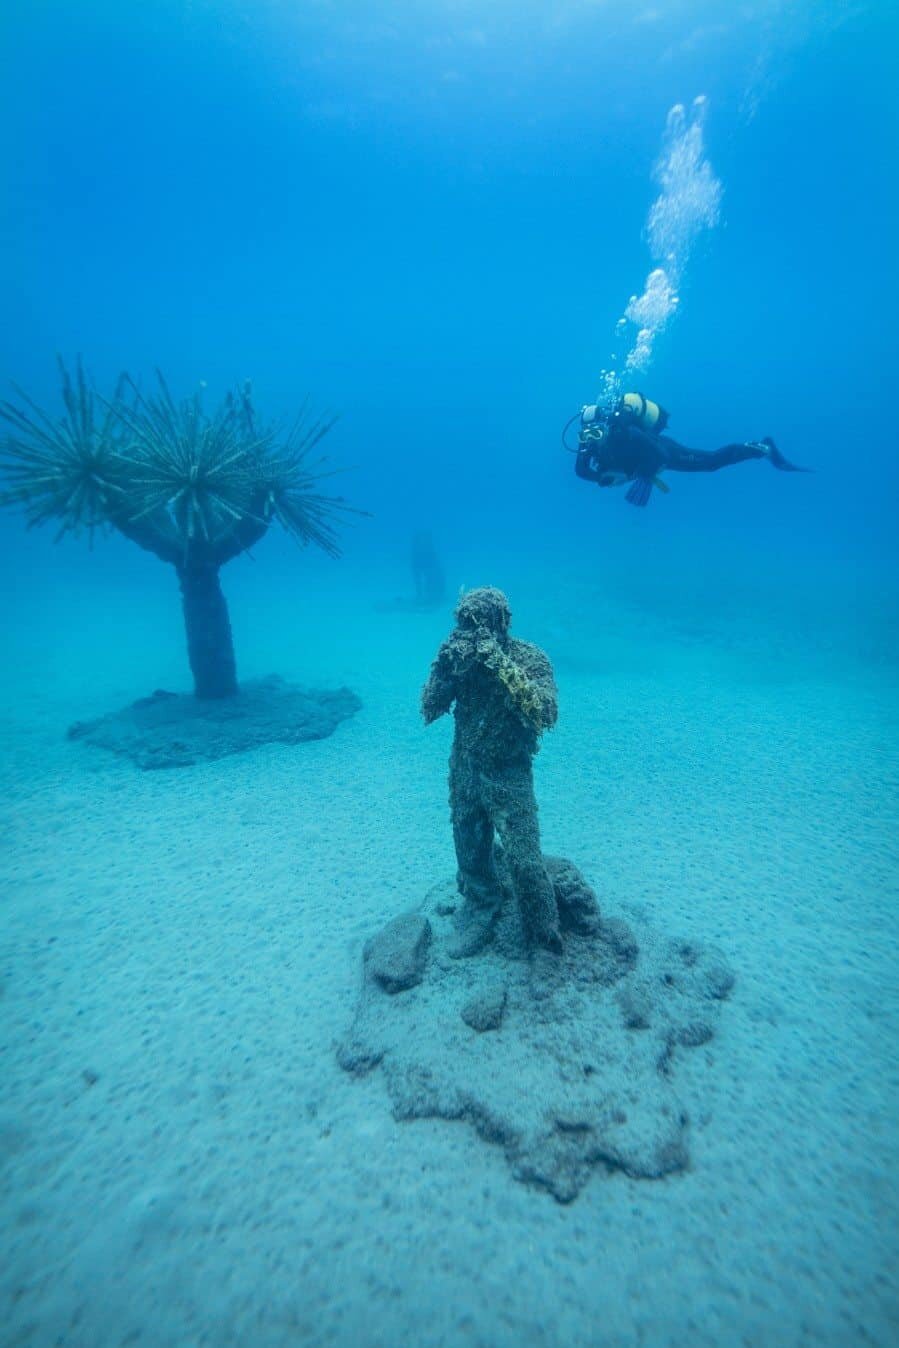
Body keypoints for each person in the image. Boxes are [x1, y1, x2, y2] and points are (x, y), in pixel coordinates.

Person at [421, 587, 563, 956]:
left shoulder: (529, 658)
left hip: (508, 774)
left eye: (479, 623)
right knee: (469, 844)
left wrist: (499, 662)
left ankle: (544, 935)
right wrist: (443, 667)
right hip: (465, 767)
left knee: (525, 860)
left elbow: (544, 712)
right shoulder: (459, 662)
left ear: (502, 622)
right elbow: (431, 708)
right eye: (465, 622)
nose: (472, 630)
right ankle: (482, 907)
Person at [571, 391, 809, 507]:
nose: (591, 440)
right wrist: (601, 477)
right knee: (710, 463)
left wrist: (637, 475)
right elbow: (580, 471)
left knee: (711, 462)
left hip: (661, 451)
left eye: (596, 432)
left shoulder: (626, 432)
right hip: (640, 466)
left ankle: (762, 448)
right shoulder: (588, 442)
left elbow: (661, 455)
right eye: (587, 434)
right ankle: (761, 448)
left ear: (607, 428)